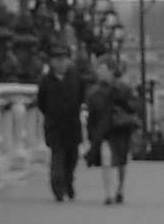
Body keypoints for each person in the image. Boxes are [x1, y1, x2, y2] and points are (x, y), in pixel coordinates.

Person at [85, 55, 139, 205]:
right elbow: (91, 115)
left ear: (111, 71)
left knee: (121, 161)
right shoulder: (94, 92)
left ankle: (120, 189)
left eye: (103, 70)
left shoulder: (123, 88)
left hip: (120, 129)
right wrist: (91, 134)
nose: (99, 73)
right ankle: (108, 193)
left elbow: (134, 107)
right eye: (98, 70)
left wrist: (122, 99)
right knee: (106, 160)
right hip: (104, 131)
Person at [36, 43, 86, 202]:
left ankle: (68, 181)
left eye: (63, 59)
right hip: (54, 125)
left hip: (72, 124)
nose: (61, 63)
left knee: (72, 157)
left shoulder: (76, 78)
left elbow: (82, 98)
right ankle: (58, 187)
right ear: (51, 62)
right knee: (57, 157)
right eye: (57, 60)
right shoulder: (45, 81)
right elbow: (41, 102)